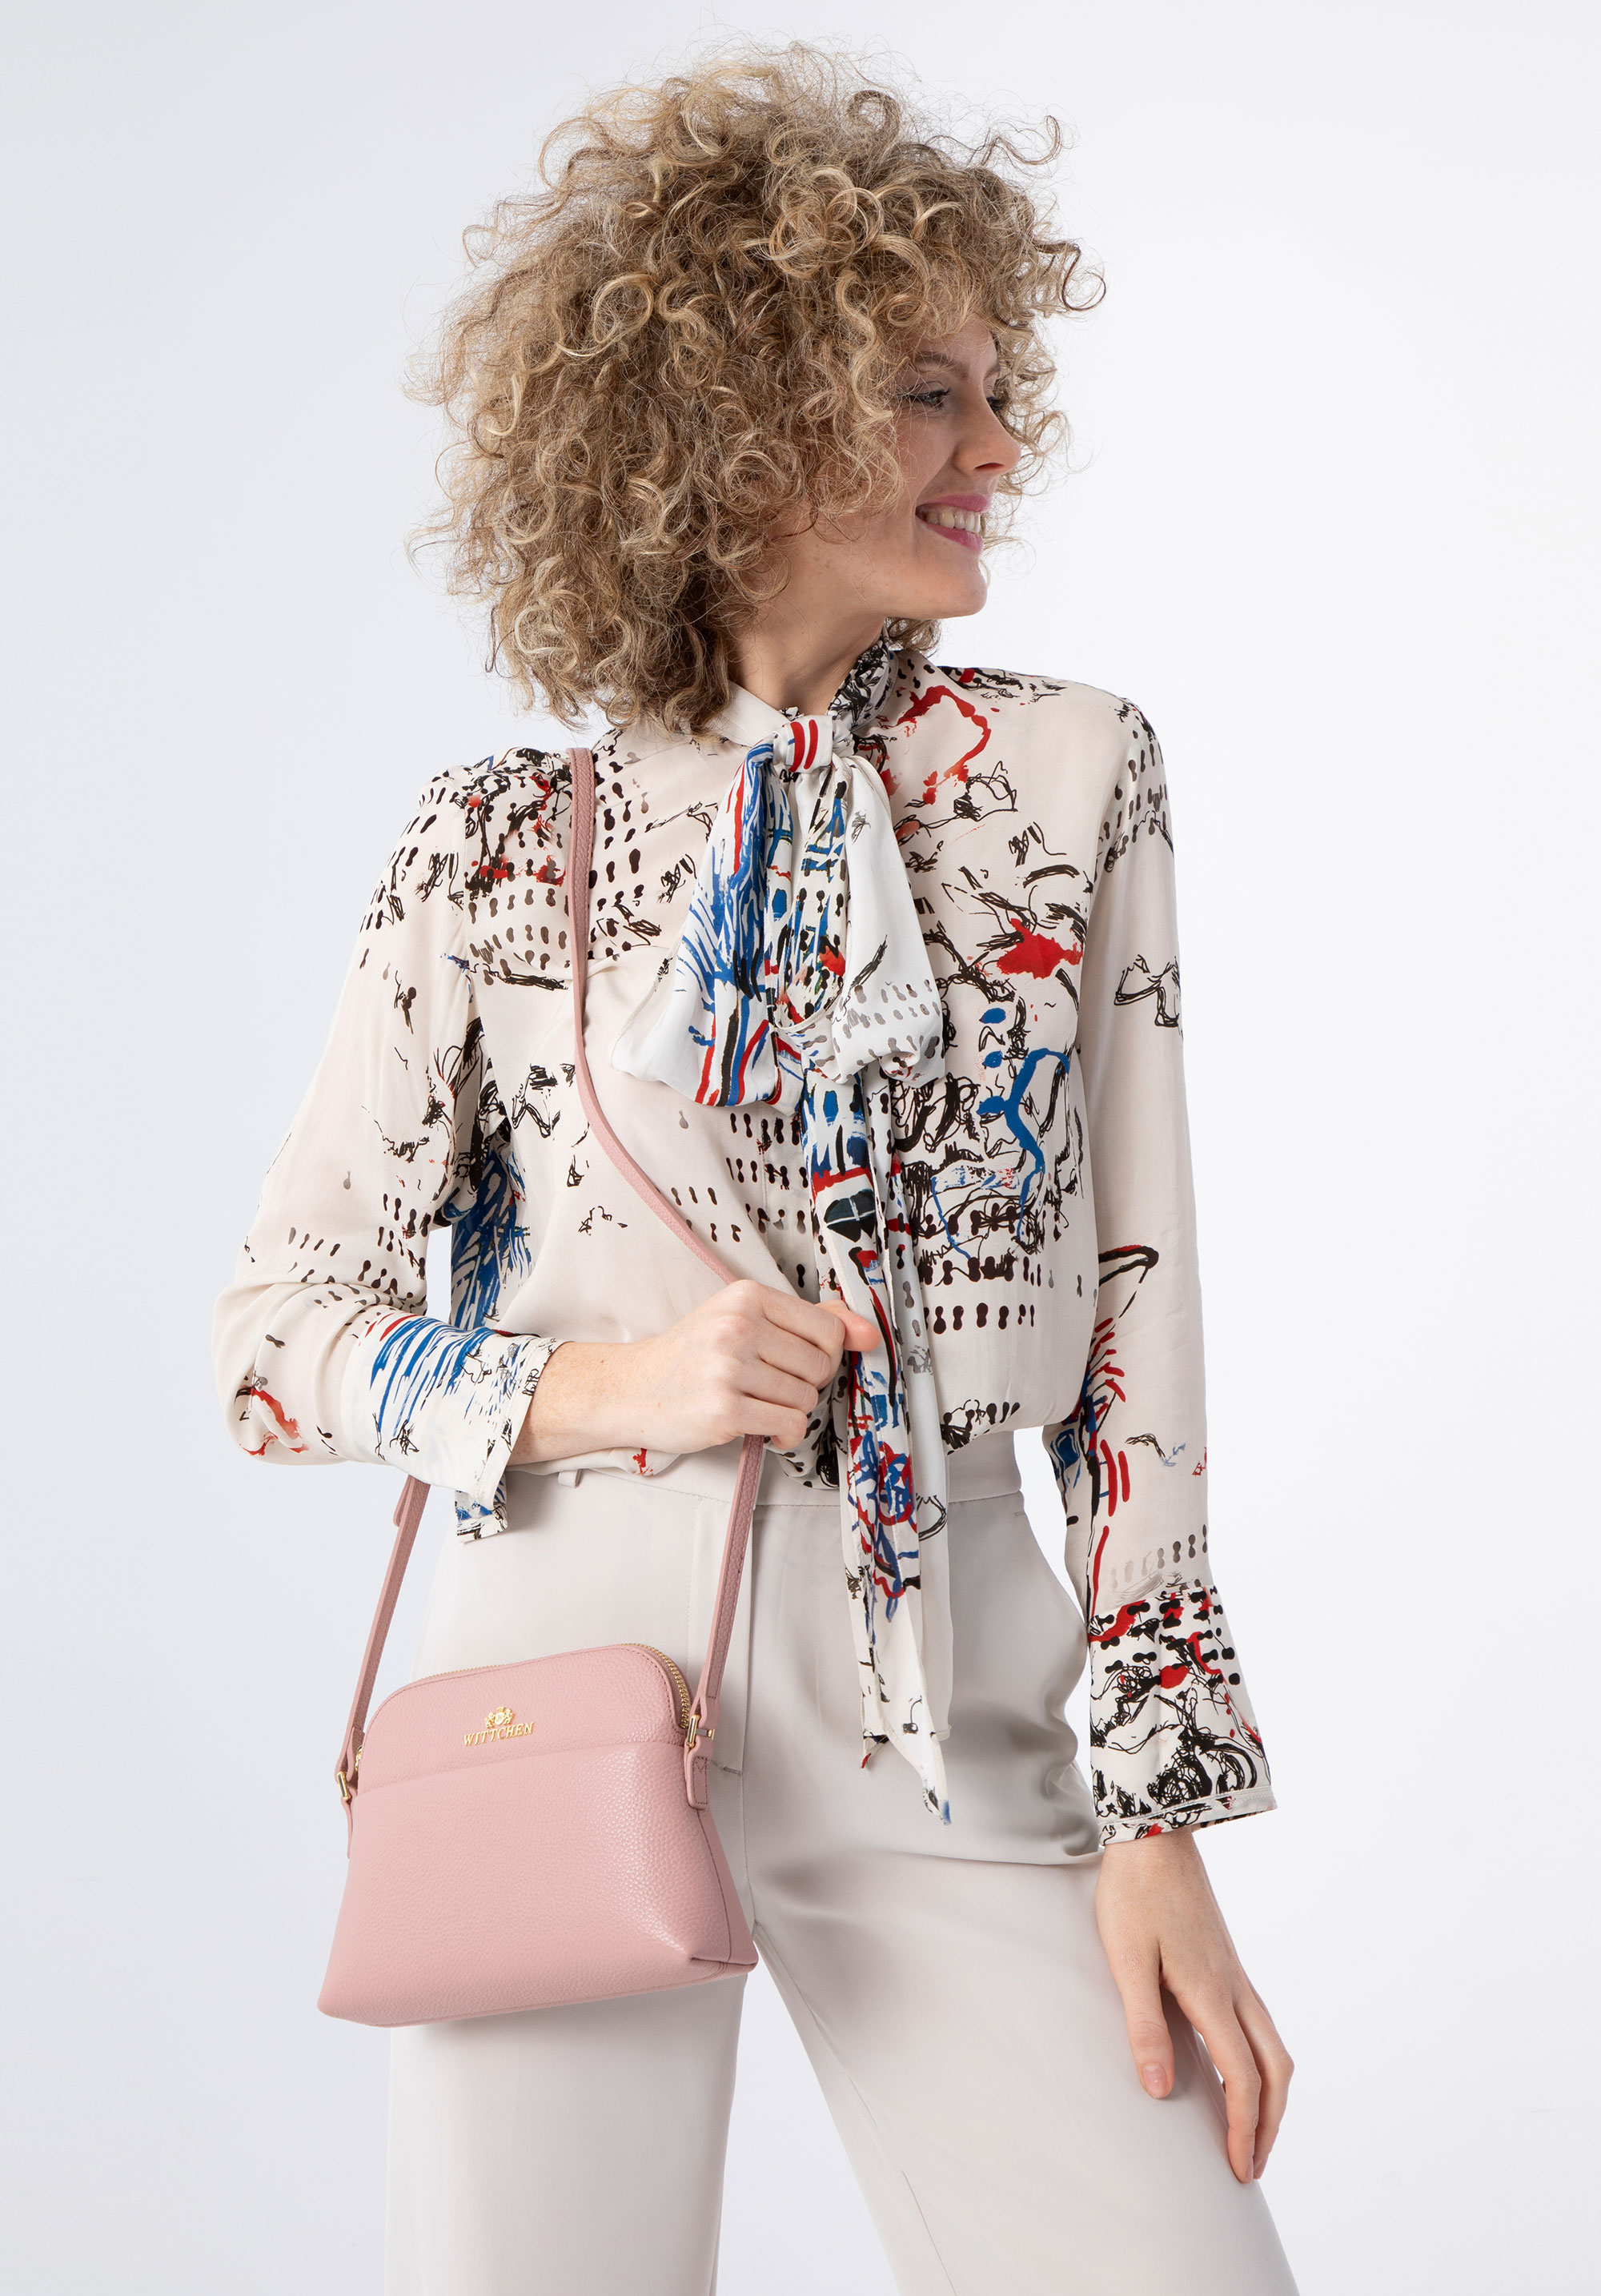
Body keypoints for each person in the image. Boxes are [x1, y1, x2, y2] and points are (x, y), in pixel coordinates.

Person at [214, 45, 1297, 2296]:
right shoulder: (492, 849)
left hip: (961, 1684)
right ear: (732, 427)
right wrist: (616, 1387)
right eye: (925, 395)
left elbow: (1140, 1320)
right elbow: (273, 1345)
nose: (995, 452)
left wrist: (1161, 1805)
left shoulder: (1065, 774)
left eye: (995, 394)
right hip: (562, 1671)